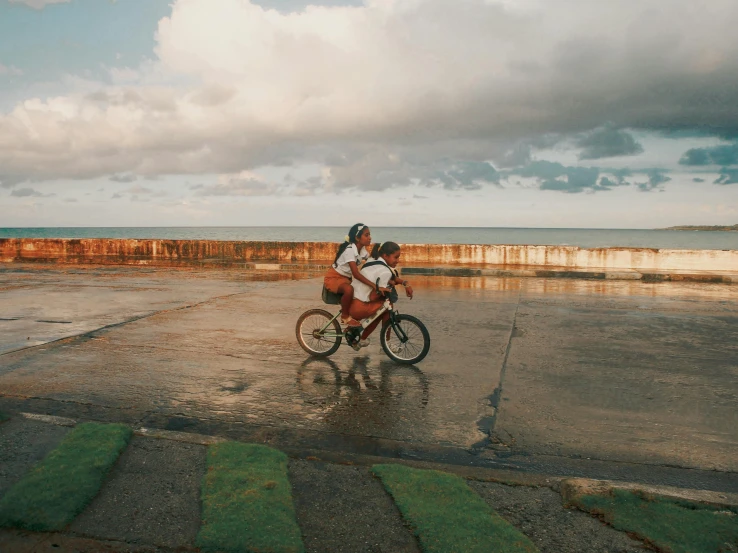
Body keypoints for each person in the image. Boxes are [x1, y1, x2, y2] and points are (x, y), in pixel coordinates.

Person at [348, 241, 413, 348]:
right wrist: (388, 289)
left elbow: (391, 277)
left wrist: (404, 283)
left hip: (353, 301)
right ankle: (385, 344)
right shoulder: (385, 271)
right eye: (395, 257)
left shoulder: (374, 259)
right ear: (385, 255)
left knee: (382, 310)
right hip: (358, 307)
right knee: (386, 308)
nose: (398, 260)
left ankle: (367, 340)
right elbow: (373, 296)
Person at [323, 223, 376, 325]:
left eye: (369, 235)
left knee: (360, 296)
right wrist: (373, 285)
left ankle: (352, 324)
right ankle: (345, 317)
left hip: (345, 279)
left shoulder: (363, 250)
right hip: (333, 278)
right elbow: (356, 274)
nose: (370, 237)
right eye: (366, 235)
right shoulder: (350, 250)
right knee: (349, 289)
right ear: (357, 238)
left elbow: (371, 262)